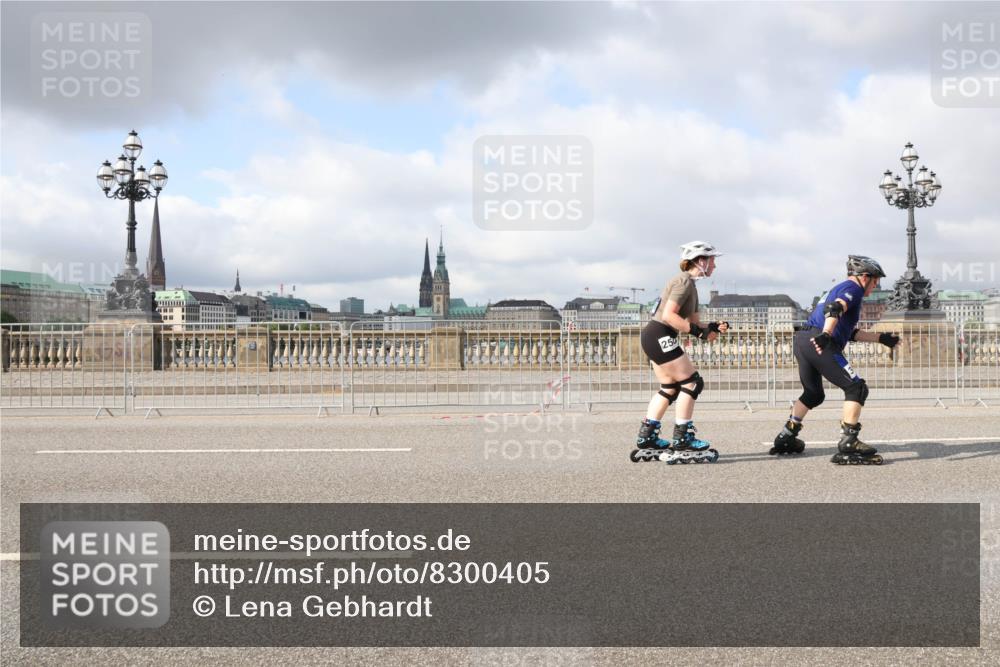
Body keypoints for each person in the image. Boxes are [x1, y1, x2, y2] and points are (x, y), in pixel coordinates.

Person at [769, 255, 901, 465]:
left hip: (803, 340)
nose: (876, 286)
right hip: (819, 341)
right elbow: (835, 309)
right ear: (865, 277)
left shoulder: (838, 288)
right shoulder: (854, 289)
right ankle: (849, 442)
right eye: (876, 281)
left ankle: (787, 435)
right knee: (856, 388)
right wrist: (827, 334)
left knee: (813, 394)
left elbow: (849, 332)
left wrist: (881, 338)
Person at [631, 241, 729, 464]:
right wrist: (698, 332)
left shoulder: (690, 285)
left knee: (670, 387)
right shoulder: (683, 282)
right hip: (660, 333)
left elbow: (693, 323)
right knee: (692, 383)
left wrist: (711, 328)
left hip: (656, 335)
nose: (714, 265)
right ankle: (683, 436)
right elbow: (669, 315)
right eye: (712, 260)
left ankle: (648, 436)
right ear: (700, 261)